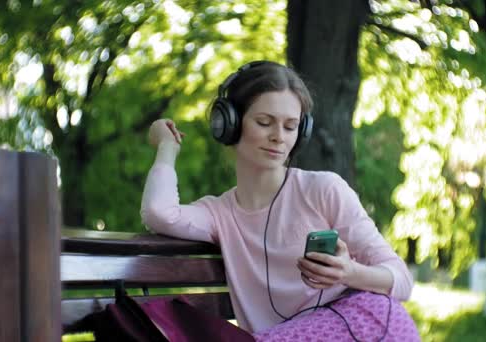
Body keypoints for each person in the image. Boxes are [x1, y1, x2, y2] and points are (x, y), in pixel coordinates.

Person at [141, 61, 419, 341]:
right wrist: (167, 148)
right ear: (229, 123)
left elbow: (402, 281)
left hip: (364, 325)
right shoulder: (219, 214)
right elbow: (159, 213)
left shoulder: (324, 190)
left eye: (290, 127)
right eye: (264, 122)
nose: (278, 137)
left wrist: (349, 272)